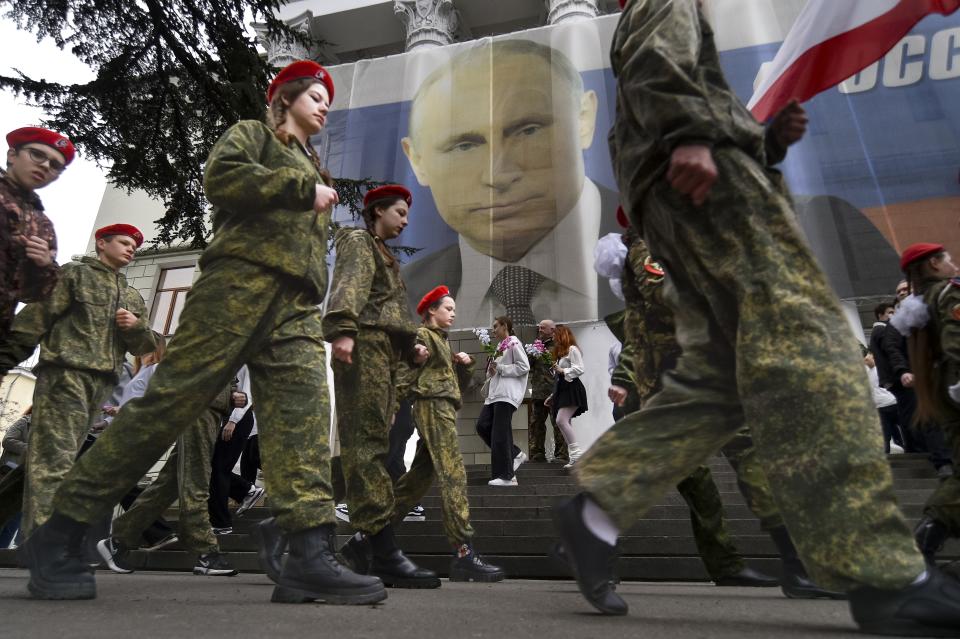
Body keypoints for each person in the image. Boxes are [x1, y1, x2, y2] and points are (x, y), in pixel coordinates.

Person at [552, 1, 960, 634]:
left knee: (721, 383)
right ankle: (884, 573)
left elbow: (662, 77)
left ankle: (600, 506)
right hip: (713, 191)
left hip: (694, 186)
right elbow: (661, 57)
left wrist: (759, 140)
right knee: (812, 354)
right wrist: (690, 131)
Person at [12, 59, 386, 605]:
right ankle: (62, 528)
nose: (323, 103)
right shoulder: (254, 137)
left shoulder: (316, 168)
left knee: (305, 418)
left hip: (297, 305)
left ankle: (309, 550)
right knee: (167, 403)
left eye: (327, 97)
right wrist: (296, 187)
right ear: (283, 99)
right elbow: (222, 179)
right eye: (312, 94)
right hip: (238, 285)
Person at [400, 39, 622, 325]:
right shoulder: (399, 295)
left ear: (584, 119)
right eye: (465, 146)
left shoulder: (664, 241)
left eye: (528, 130)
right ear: (417, 160)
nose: (498, 176)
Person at [0, 223, 157, 539]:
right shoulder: (72, 275)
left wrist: (135, 327)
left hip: (101, 386)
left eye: (134, 246)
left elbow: (145, 349)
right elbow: (34, 320)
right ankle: (44, 551)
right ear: (102, 243)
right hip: (64, 375)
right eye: (124, 242)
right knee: (54, 462)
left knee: (52, 460)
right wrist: (5, 360)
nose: (131, 249)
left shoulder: (131, 296)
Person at [323, 183, 438, 589]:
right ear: (377, 211)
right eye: (400, 213)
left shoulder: (387, 256)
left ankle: (357, 541)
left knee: (373, 443)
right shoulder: (359, 241)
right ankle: (380, 548)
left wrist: (410, 348)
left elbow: (392, 309)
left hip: (385, 352)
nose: (405, 221)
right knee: (367, 446)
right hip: (365, 346)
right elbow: (349, 287)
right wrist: (343, 331)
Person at [390, 285, 504, 582]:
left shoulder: (441, 341)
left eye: (454, 309)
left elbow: (454, 385)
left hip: (442, 407)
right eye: (448, 309)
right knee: (453, 474)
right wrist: (391, 407)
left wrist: (465, 368)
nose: (453, 314)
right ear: (431, 310)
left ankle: (368, 539)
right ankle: (464, 552)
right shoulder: (423, 337)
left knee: (414, 484)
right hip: (431, 407)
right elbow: (406, 372)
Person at [97, 375, 244, 577]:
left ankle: (118, 540)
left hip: (210, 411)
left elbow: (227, 378)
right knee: (197, 479)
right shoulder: (211, 343)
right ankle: (206, 551)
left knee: (169, 483)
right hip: (197, 407)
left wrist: (233, 395)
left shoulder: (231, 345)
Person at [894, 244, 960, 569]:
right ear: (934, 264)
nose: (954, 264)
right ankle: (920, 548)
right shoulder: (950, 294)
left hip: (946, 393)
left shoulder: (919, 305)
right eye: (948, 259)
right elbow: (956, 344)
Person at [1, 127, 72, 340]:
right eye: (37, 155)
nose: (44, 165)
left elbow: (33, 294)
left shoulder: (42, 226)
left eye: (54, 165)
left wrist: (43, 266)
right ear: (12, 155)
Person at [208, 365, 264, 534]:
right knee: (215, 468)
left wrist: (233, 421)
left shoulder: (246, 361)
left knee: (219, 469)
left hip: (237, 418)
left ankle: (221, 523)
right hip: (228, 417)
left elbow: (247, 394)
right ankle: (247, 490)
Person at [475, 316, 529, 486]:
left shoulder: (513, 342)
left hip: (506, 394)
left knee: (499, 433)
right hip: (494, 395)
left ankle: (507, 476)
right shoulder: (498, 346)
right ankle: (514, 454)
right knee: (482, 426)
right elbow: (495, 372)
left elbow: (524, 366)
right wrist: (492, 370)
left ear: (505, 326)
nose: (493, 330)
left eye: (495, 326)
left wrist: (500, 368)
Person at [544, 325, 588, 468]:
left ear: (562, 335)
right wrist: (552, 395)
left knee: (561, 420)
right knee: (565, 421)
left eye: (556, 335)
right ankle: (574, 456)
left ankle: (576, 455)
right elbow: (559, 378)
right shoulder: (561, 353)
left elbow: (580, 368)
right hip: (563, 389)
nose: (554, 338)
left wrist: (563, 370)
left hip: (572, 389)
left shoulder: (572, 349)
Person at [527, 319, 568, 463]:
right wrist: (533, 353)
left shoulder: (560, 346)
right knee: (536, 423)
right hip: (538, 391)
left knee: (558, 423)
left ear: (552, 330)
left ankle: (561, 455)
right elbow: (527, 365)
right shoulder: (535, 346)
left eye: (543, 328)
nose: (540, 330)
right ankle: (537, 453)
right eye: (539, 328)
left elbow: (567, 367)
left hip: (554, 391)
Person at [0, 407, 31, 547]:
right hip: (9, 472)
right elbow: (7, 440)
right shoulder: (25, 422)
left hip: (28, 479)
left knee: (13, 522)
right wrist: (30, 448)